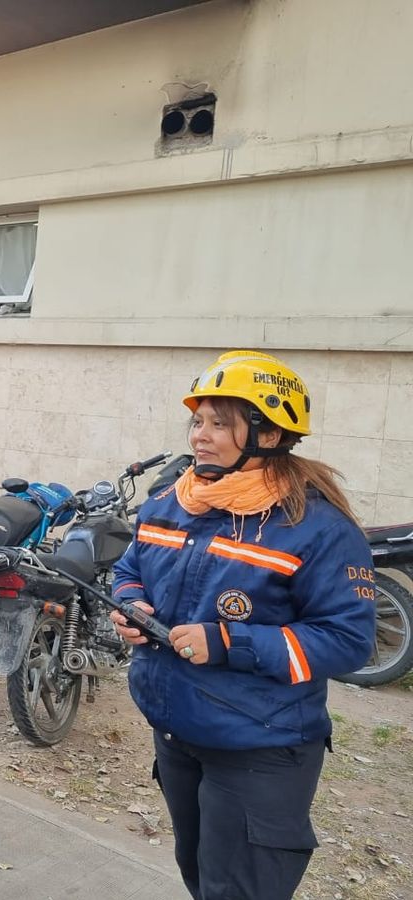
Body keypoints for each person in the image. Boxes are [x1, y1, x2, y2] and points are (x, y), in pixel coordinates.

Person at [111, 350, 375, 900]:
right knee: (201, 877)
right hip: (177, 732)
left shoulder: (316, 527)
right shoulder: (174, 500)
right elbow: (130, 565)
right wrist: (133, 605)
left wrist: (229, 642)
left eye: (219, 424)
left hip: (261, 747)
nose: (200, 436)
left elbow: (349, 640)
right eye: (198, 421)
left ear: (269, 436)